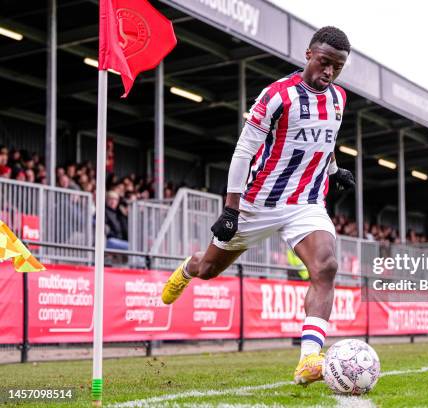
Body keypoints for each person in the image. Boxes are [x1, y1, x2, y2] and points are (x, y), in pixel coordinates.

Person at [161, 26, 354, 385]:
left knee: (326, 266)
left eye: (337, 67)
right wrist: (231, 210)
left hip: (305, 202)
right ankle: (188, 268)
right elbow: (243, 152)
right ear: (310, 54)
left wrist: (333, 169)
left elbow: (326, 140)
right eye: (325, 63)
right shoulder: (277, 95)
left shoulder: (339, 99)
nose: (329, 73)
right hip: (258, 203)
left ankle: (309, 358)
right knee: (209, 270)